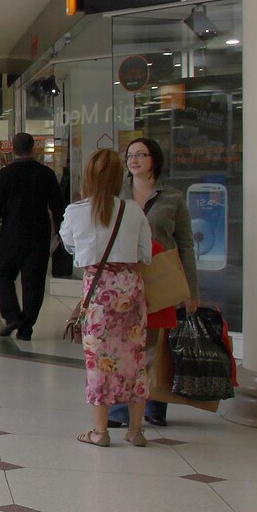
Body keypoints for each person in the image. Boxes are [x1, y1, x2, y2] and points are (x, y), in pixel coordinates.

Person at [59, 147, 155, 447]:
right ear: (119, 177)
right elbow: (146, 254)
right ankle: (136, 430)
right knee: (136, 358)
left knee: (99, 360)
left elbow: (70, 245)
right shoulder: (133, 210)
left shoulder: (76, 211)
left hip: (98, 290)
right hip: (131, 288)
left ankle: (101, 431)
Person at [110, 136, 200, 431]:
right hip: (125, 278)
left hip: (161, 276)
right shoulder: (116, 195)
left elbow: (185, 245)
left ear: (155, 160)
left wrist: (190, 291)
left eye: (141, 155)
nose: (134, 160)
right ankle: (121, 408)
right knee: (124, 344)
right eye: (130, 155)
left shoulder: (172, 198)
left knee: (155, 346)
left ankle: (155, 404)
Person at [0, 132, 67, 340]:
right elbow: (57, 205)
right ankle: (26, 327)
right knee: (34, 282)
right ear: (34, 149)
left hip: (11, 233)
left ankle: (12, 315)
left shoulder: (5, 174)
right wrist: (61, 230)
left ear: (12, 148)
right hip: (39, 235)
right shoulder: (45, 174)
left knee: (4, 274)